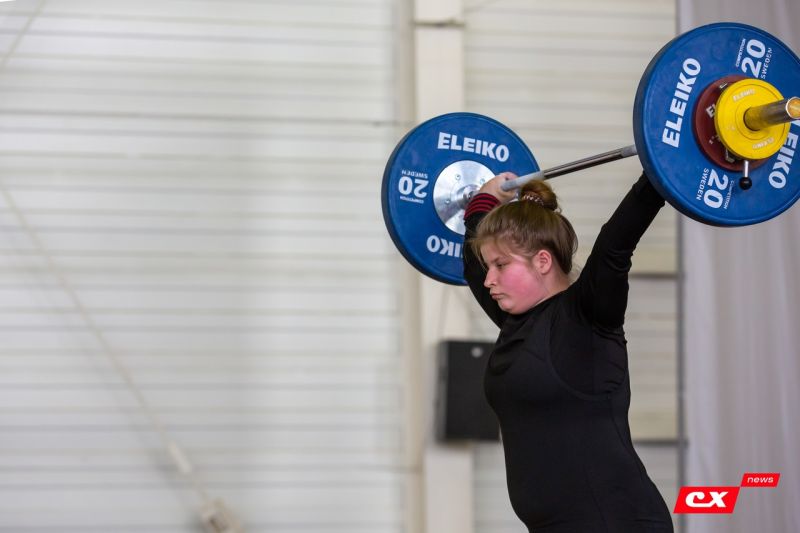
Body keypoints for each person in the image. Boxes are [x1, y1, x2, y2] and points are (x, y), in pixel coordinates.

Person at [463, 171, 674, 533]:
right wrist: (484, 199)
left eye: (500, 265)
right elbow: (470, 266)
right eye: (489, 265)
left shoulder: (586, 317)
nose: (488, 279)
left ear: (542, 262)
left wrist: (663, 168)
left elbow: (616, 242)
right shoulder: (516, 322)